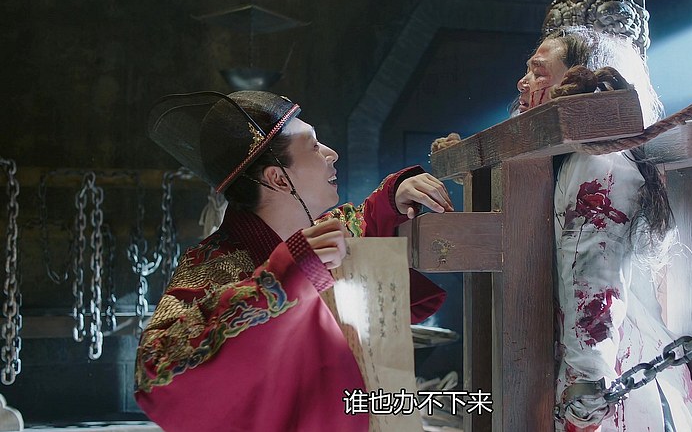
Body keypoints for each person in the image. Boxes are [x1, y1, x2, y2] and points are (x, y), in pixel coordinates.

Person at [135, 91, 454, 432]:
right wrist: (286, 275)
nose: (331, 153)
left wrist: (395, 196)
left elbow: (363, 222)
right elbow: (157, 371)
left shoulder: (317, 239)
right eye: (314, 146)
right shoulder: (212, 264)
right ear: (278, 178)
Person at [521, 27, 692, 432]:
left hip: (614, 395)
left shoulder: (600, 164)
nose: (523, 82)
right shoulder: (574, 160)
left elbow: (594, 295)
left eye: (539, 71)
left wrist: (584, 401)